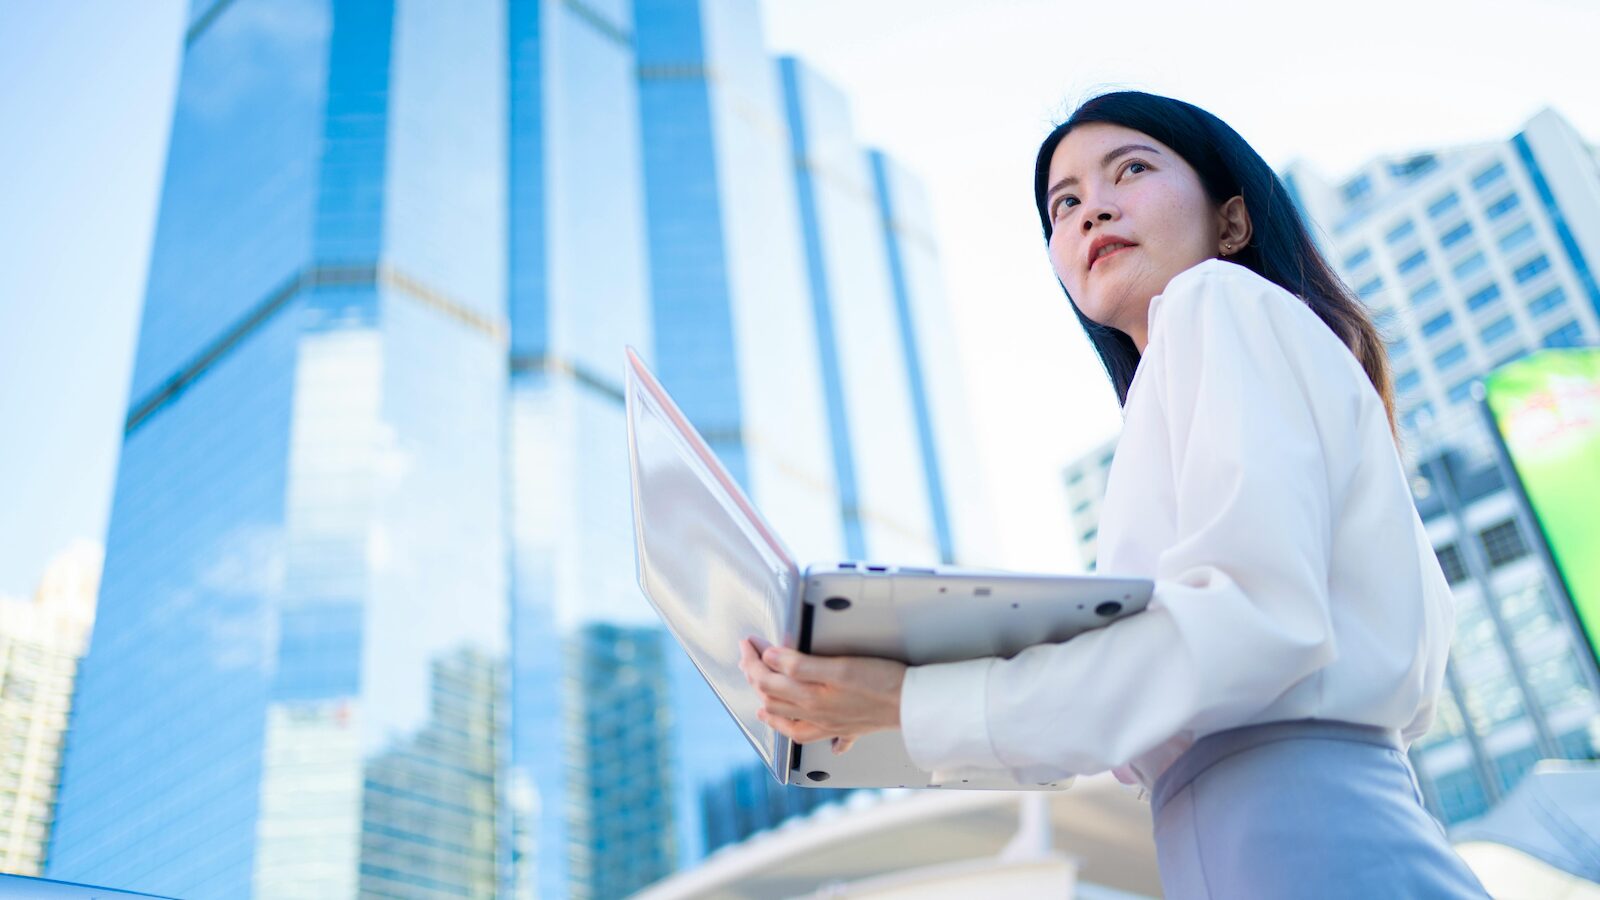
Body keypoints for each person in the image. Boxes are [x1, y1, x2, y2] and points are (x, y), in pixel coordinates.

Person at [736, 90, 1492, 899]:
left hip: (1314, 846)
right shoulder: (1181, 387)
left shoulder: (1217, 299)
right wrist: (895, 698)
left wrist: (910, 702)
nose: (1092, 209)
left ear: (1232, 221)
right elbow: (1174, 695)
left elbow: (1250, 622)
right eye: (1064, 205)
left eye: (1130, 170)